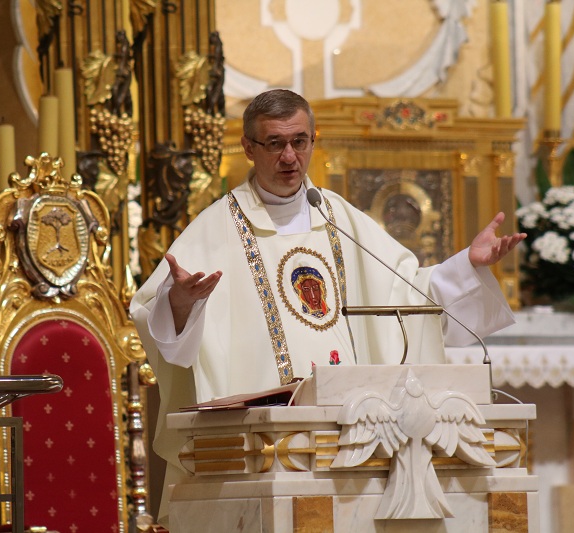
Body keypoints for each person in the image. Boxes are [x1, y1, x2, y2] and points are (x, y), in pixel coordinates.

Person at [130, 89, 526, 523]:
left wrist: (466, 266)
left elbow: (408, 293)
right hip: (262, 447)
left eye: (300, 142)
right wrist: (181, 305)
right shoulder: (215, 228)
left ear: (313, 142)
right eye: (275, 143)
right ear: (248, 148)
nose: (289, 157)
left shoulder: (340, 217)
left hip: (353, 436)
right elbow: (160, 325)